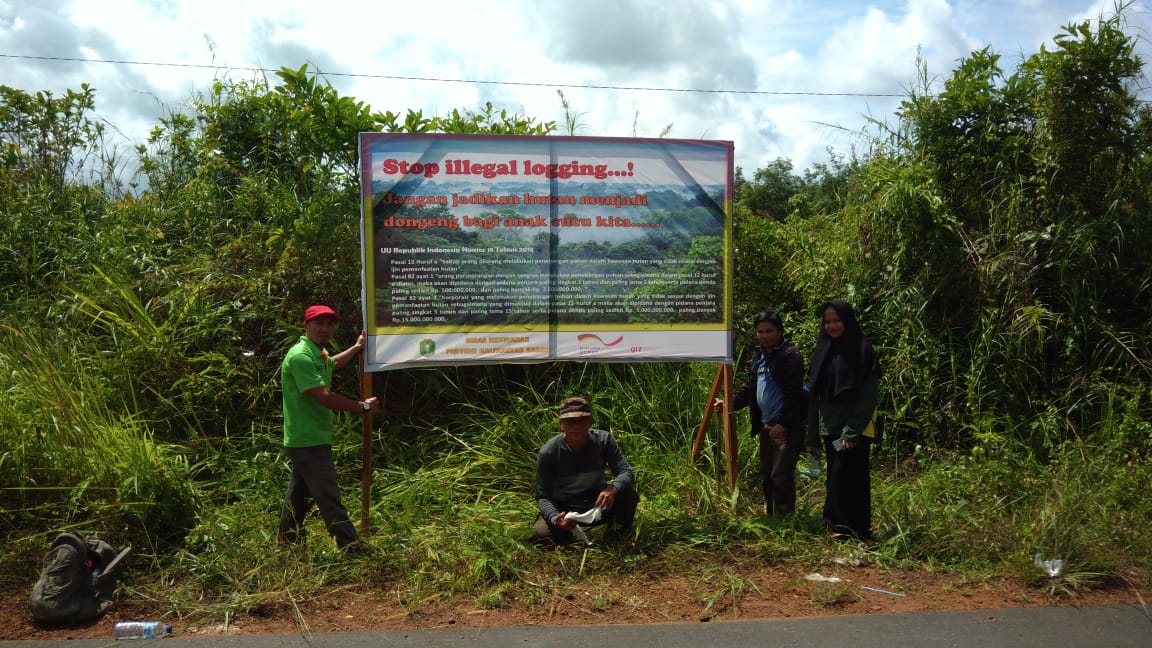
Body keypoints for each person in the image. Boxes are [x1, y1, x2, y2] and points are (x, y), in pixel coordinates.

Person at [278, 304, 378, 555]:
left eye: (330, 324)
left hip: (307, 438)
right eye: (319, 323)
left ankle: (286, 543)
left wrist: (356, 349)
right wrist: (362, 407)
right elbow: (322, 396)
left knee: (300, 496)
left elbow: (331, 364)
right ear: (306, 325)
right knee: (327, 494)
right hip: (308, 439)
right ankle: (350, 546)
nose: (325, 328)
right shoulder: (301, 355)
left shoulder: (316, 353)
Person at [717, 310, 807, 516]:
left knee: (780, 475)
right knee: (767, 475)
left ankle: (785, 521)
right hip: (766, 426)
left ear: (780, 331)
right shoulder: (759, 356)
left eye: (769, 331)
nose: (764, 335)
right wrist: (727, 403)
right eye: (760, 331)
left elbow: (794, 393)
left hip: (784, 426)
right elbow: (750, 389)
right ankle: (771, 517)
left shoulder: (789, 356)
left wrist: (783, 423)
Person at [805, 300, 881, 541]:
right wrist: (812, 434)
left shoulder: (862, 350)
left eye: (837, 320)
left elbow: (868, 396)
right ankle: (837, 528)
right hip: (830, 428)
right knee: (835, 478)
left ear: (847, 321)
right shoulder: (823, 350)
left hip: (853, 430)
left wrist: (851, 431)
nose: (832, 325)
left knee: (852, 477)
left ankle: (855, 530)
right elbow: (814, 397)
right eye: (827, 321)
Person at [531, 396, 638, 545]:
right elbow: (543, 496)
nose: (576, 426)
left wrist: (612, 490)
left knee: (627, 494)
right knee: (540, 535)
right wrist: (555, 518)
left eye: (581, 420)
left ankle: (616, 534)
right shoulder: (549, 452)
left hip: (597, 502)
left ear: (590, 422)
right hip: (565, 507)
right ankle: (567, 534)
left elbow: (626, 472)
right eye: (571, 422)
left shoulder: (603, 440)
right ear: (562, 425)